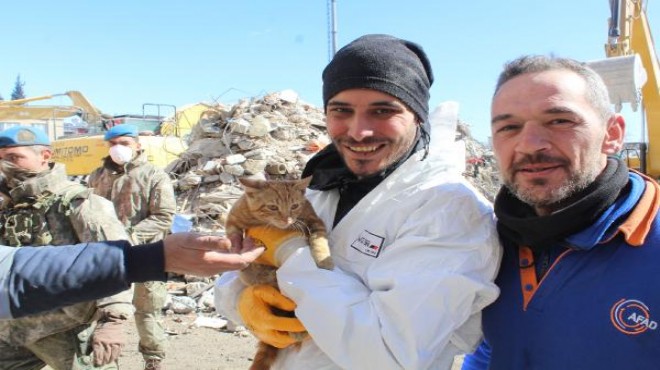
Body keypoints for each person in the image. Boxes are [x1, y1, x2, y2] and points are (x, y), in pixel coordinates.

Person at [215, 34, 502, 369]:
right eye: (341, 111)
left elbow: (388, 353)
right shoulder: (321, 188)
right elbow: (231, 276)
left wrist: (291, 253)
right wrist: (242, 300)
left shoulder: (448, 211)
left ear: (418, 116)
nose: (359, 131)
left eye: (383, 110)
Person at [461, 55, 660, 370]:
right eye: (509, 127)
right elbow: (492, 348)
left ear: (612, 134)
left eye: (559, 121)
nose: (530, 145)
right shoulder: (487, 243)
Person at [0, 126, 133, 369]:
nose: (6, 166)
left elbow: (116, 259)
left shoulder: (77, 202)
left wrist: (114, 320)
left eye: (13, 158)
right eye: (1, 159)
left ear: (45, 156)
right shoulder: (8, 205)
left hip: (66, 328)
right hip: (13, 327)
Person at [0, 232, 264, 319]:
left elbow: (12, 271)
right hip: (38, 309)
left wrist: (149, 257)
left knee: (148, 313)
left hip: (69, 309)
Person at [88, 124, 176, 370]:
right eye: (113, 143)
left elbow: (164, 216)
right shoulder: (97, 176)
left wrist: (128, 236)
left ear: (138, 145)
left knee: (147, 311)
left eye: (124, 143)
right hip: (105, 254)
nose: (118, 148)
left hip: (146, 254)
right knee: (100, 311)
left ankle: (153, 360)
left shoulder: (154, 175)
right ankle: (103, 362)